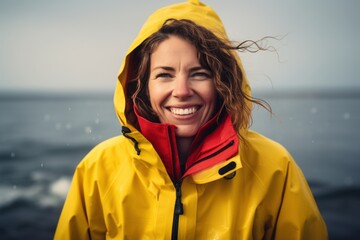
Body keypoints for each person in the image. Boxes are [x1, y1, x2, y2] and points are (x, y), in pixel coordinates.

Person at [54, 0, 328, 239]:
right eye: (165, 74)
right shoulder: (98, 170)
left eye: (199, 73)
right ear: (142, 86)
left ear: (224, 81)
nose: (182, 91)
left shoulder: (274, 168)